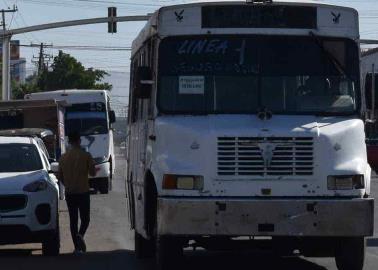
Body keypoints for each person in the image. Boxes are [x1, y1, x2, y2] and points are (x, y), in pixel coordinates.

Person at [58, 131, 97, 254]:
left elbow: (60, 177)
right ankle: (80, 235)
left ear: (69, 142)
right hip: (83, 192)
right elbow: (93, 173)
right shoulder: (86, 155)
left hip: (70, 193)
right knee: (85, 219)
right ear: (79, 141)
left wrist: (68, 185)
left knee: (73, 220)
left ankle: (77, 247)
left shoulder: (63, 158)